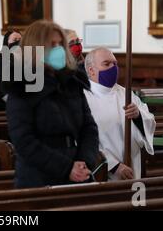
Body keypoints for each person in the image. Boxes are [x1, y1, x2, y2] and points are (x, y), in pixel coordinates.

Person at [6, 20, 99, 189]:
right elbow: (24, 141)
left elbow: (89, 127)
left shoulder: (71, 82)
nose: (58, 49)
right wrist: (66, 168)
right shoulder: (21, 87)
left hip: (77, 172)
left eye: (60, 44)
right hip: (38, 178)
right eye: (52, 45)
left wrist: (84, 162)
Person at [84, 47, 155, 181]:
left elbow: (149, 121)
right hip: (101, 170)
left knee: (131, 201)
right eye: (107, 64)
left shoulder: (126, 94)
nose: (113, 68)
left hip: (132, 167)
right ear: (91, 70)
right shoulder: (82, 97)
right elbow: (83, 139)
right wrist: (114, 166)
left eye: (115, 63)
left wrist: (138, 116)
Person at [0, 29, 23, 111]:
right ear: (6, 43)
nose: (18, 42)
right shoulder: (0, 59)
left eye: (20, 40)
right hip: (6, 105)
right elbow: (1, 86)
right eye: (15, 40)